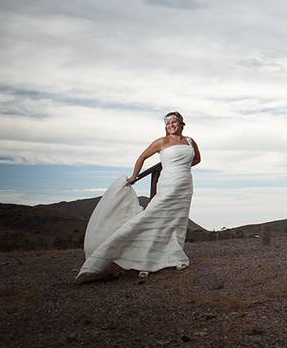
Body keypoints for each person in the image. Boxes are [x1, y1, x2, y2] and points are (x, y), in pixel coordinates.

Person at [76, 111, 201, 283]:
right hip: (167, 184)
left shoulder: (190, 141)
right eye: (168, 123)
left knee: (176, 221)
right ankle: (142, 259)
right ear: (166, 126)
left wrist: (182, 167)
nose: (171, 125)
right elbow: (142, 156)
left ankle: (174, 257)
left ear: (181, 123)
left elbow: (197, 159)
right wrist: (135, 176)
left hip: (185, 185)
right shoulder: (161, 142)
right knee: (152, 217)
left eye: (174, 121)